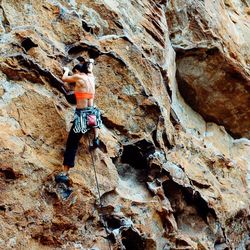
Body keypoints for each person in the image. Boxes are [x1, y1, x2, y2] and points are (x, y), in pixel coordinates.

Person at [57, 59, 102, 180]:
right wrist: (91, 61)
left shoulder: (78, 77)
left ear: (77, 71)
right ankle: (96, 138)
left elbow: (64, 79)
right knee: (94, 116)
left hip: (82, 116)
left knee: (72, 143)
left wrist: (66, 71)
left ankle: (65, 173)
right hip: (92, 114)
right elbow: (90, 68)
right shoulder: (91, 77)